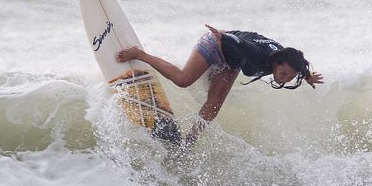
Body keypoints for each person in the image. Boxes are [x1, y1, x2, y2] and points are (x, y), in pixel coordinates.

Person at [117, 25, 324, 147]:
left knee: (214, 104)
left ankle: (188, 143)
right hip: (216, 44)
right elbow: (243, 44)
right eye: (283, 74)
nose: (284, 79)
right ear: (275, 63)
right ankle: (140, 54)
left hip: (232, 60)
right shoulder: (258, 55)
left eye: (289, 77)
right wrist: (223, 37)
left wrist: (307, 76)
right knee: (183, 80)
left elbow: (298, 66)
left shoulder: (286, 62)